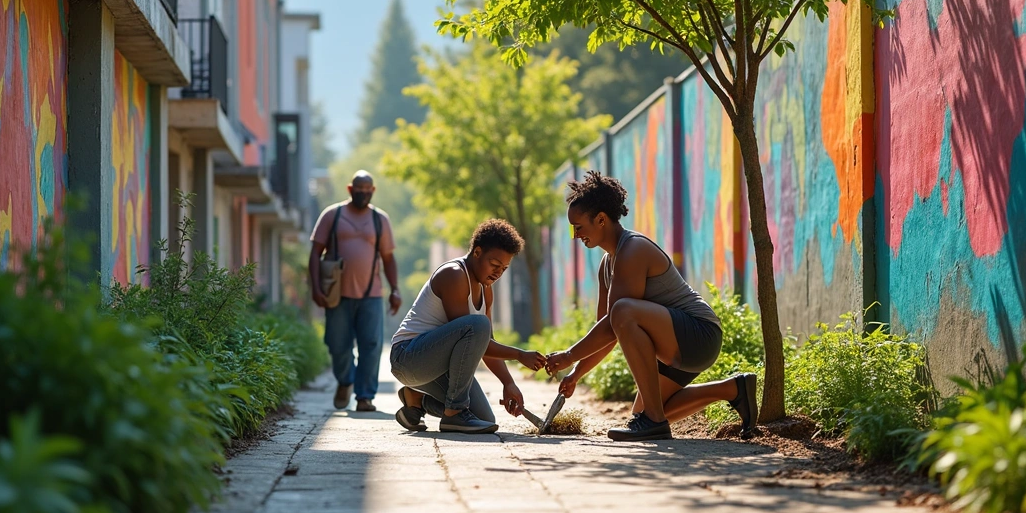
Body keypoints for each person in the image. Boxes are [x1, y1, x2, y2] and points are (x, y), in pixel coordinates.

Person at [544, 171, 758, 441]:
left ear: (601, 219)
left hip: (699, 335)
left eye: (578, 227)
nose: (576, 235)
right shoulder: (607, 265)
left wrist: (569, 355)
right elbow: (608, 333)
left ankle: (655, 422)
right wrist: (576, 373)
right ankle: (733, 389)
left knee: (622, 310)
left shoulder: (633, 250)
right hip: (674, 346)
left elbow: (615, 321)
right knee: (644, 411)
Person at [390, 219, 547, 434]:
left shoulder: (486, 289)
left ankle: (417, 400)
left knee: (483, 419)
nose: (498, 273)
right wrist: (519, 355)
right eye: (494, 265)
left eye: (504, 268)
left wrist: (508, 383)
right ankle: (454, 413)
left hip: (436, 367)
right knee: (478, 325)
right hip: (408, 358)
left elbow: (484, 343)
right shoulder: (454, 274)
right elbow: (476, 334)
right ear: (477, 252)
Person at [308, 171, 401, 412]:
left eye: (368, 190)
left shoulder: (380, 219)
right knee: (337, 344)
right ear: (350, 189)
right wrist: (315, 287)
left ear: (373, 191)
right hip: (336, 293)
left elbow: (388, 258)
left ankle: (364, 397)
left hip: (372, 294)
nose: (363, 194)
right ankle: (346, 380)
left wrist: (395, 290)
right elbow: (315, 253)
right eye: (359, 190)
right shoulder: (332, 215)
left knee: (371, 345)